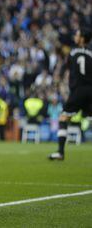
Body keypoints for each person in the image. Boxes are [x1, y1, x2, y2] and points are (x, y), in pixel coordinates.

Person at [49, 27, 92, 160]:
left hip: (78, 90)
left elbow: (63, 68)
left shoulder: (73, 53)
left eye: (77, 35)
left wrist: (58, 80)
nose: (75, 36)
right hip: (90, 90)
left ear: (82, 39)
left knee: (63, 118)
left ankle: (60, 152)